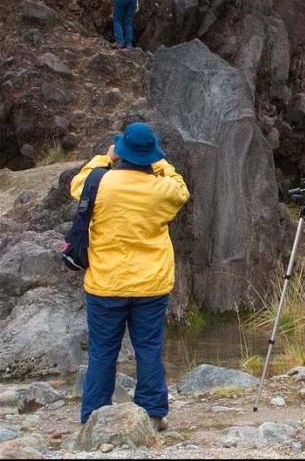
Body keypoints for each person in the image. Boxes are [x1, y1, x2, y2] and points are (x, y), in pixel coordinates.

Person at [71, 122, 190, 430]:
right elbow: (181, 188)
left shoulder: (98, 183)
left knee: (102, 353)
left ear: (121, 152)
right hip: (151, 284)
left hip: (105, 283)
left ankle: (93, 416)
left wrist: (103, 158)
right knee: (148, 349)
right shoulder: (163, 190)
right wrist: (160, 162)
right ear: (150, 155)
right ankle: (152, 413)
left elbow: (77, 183)